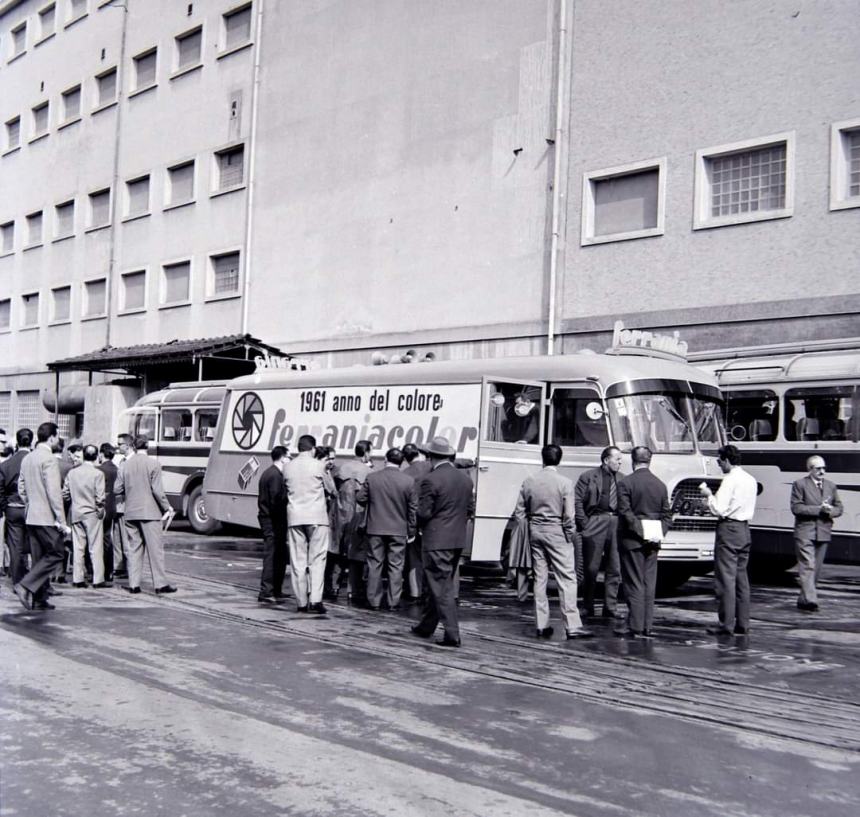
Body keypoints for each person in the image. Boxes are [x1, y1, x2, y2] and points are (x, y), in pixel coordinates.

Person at [513, 444, 594, 641]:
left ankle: (542, 624)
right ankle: (572, 625)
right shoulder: (565, 483)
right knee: (566, 578)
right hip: (557, 532)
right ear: (559, 459)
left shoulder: (529, 481)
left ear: (542, 458)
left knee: (539, 578)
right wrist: (569, 534)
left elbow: (519, 512)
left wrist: (530, 527)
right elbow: (569, 515)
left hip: (536, 531)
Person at [410, 436, 474, 647]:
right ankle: (426, 626)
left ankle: (452, 634)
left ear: (430, 457)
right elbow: (470, 509)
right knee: (437, 583)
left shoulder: (431, 480)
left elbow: (424, 512)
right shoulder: (465, 479)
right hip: (456, 539)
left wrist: (415, 523)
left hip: (436, 539)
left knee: (440, 586)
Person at [700, 444, 758, 636]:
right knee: (742, 579)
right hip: (744, 529)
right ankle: (743, 623)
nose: (719, 465)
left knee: (726, 579)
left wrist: (708, 496)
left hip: (729, 528)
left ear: (726, 460)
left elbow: (719, 508)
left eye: (719, 461)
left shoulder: (729, 480)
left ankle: (726, 624)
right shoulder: (751, 480)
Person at [12, 422, 70, 611]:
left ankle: (39, 599)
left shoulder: (28, 458)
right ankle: (25, 584)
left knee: (39, 557)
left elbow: (21, 486)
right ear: (52, 437)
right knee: (57, 552)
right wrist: (61, 520)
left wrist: (30, 502)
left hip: (31, 515)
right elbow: (54, 492)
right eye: (57, 436)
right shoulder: (50, 459)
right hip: (46, 516)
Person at [616, 446, 672, 638]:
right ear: (650, 460)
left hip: (632, 540)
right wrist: (658, 531)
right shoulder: (660, 485)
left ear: (632, 461)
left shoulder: (626, 483)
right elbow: (667, 515)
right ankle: (648, 625)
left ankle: (635, 625)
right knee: (649, 583)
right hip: (653, 541)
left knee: (634, 583)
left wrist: (640, 531)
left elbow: (625, 512)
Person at [356, 447, 417, 611]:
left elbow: (360, 498)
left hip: (375, 528)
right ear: (402, 461)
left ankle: (373, 601)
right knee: (396, 566)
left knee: (375, 564)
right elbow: (413, 509)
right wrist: (411, 531)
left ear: (385, 459)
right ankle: (393, 601)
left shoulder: (372, 477)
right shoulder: (408, 481)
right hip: (399, 530)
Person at [115, 436, 176, 594]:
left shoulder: (125, 465)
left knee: (135, 549)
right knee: (155, 550)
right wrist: (167, 507)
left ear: (134, 446)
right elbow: (157, 490)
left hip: (130, 513)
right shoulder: (154, 464)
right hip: (150, 513)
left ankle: (134, 584)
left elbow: (117, 489)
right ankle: (160, 584)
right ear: (147, 446)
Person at [283, 434, 336, 613]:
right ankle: (315, 601)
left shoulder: (287, 467)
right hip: (317, 518)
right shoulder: (319, 466)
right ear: (313, 449)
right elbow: (332, 490)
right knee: (317, 559)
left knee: (297, 561)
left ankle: (301, 602)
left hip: (295, 517)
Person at [574, 446, 624, 619]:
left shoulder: (623, 479)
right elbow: (577, 501)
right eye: (617, 459)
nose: (620, 462)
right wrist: (585, 524)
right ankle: (588, 605)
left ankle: (610, 607)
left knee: (614, 567)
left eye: (620, 459)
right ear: (605, 460)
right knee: (591, 567)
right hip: (595, 521)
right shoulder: (588, 477)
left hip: (616, 522)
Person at [790, 455, 843, 612]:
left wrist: (830, 511)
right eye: (818, 468)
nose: (822, 471)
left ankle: (803, 599)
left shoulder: (831, 486)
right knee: (808, 566)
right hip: (805, 531)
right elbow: (796, 508)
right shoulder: (799, 485)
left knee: (816, 569)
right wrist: (819, 509)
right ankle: (812, 601)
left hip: (824, 531)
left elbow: (839, 508)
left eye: (824, 468)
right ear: (810, 469)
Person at [324, 440, 372, 603]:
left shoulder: (341, 468)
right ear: (366, 453)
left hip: (339, 514)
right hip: (357, 515)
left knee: (337, 552)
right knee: (356, 555)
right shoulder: (368, 471)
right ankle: (354, 590)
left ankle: (334, 587)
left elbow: (333, 489)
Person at [63, 444, 107, 588]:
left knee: (78, 547)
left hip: (76, 513)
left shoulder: (72, 473)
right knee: (95, 547)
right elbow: (100, 498)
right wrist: (100, 509)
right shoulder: (98, 474)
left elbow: (65, 494)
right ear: (96, 456)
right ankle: (98, 579)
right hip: (92, 514)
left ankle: (78, 579)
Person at [0, 428, 33, 586]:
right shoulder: (35, 461)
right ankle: (36, 581)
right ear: (31, 441)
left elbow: (0, 489)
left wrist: (4, 506)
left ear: (17, 443)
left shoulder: (6, 464)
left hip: (13, 507)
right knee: (36, 544)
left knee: (15, 545)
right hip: (33, 507)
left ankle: (18, 580)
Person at [257, 445, 289, 604]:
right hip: (273, 521)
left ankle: (276, 589)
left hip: (268, 518)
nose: (289, 460)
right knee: (272, 555)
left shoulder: (269, 472)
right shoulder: (276, 476)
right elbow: (276, 500)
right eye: (289, 457)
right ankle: (267, 591)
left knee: (278, 554)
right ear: (283, 457)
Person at [402, 443, 432, 599]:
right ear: (418, 454)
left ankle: (415, 591)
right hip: (430, 517)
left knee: (414, 557)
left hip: (412, 519)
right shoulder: (429, 466)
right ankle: (429, 590)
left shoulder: (405, 473)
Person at [98, 443, 120, 581]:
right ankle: (109, 571)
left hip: (101, 508)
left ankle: (98, 570)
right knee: (108, 538)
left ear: (101, 454)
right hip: (113, 508)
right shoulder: (117, 469)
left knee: (96, 541)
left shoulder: (99, 470)